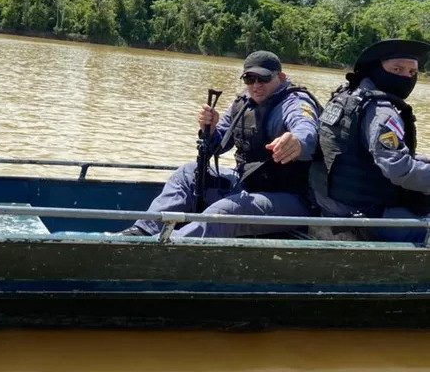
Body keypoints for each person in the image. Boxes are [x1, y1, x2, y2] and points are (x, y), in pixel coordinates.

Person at [117, 51, 320, 238]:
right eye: (250, 79)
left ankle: (165, 246)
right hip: (246, 184)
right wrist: (210, 129)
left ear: (281, 77)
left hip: (289, 197)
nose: (256, 85)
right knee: (188, 173)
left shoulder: (295, 102)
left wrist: (297, 141)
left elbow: (307, 128)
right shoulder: (243, 103)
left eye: (263, 78)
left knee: (223, 212)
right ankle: (142, 232)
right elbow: (220, 144)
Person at [311, 39, 430, 242]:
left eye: (412, 72)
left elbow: (358, 151)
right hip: (364, 216)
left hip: (330, 203)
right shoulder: (382, 112)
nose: (406, 77)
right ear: (376, 68)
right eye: (398, 69)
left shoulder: (347, 97)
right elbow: (399, 169)